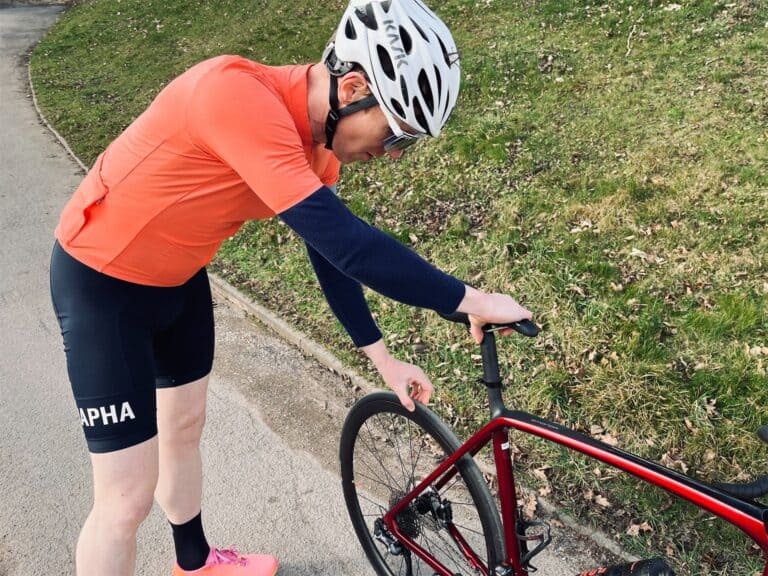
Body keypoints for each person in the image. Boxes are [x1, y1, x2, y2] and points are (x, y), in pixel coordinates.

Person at [49, 0, 532, 575]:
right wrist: (469, 299)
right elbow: (352, 245)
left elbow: (331, 255)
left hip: (178, 278)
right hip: (102, 282)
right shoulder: (234, 97)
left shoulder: (317, 147)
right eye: (396, 136)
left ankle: (195, 561)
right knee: (125, 498)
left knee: (183, 426)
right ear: (353, 88)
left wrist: (382, 360)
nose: (391, 155)